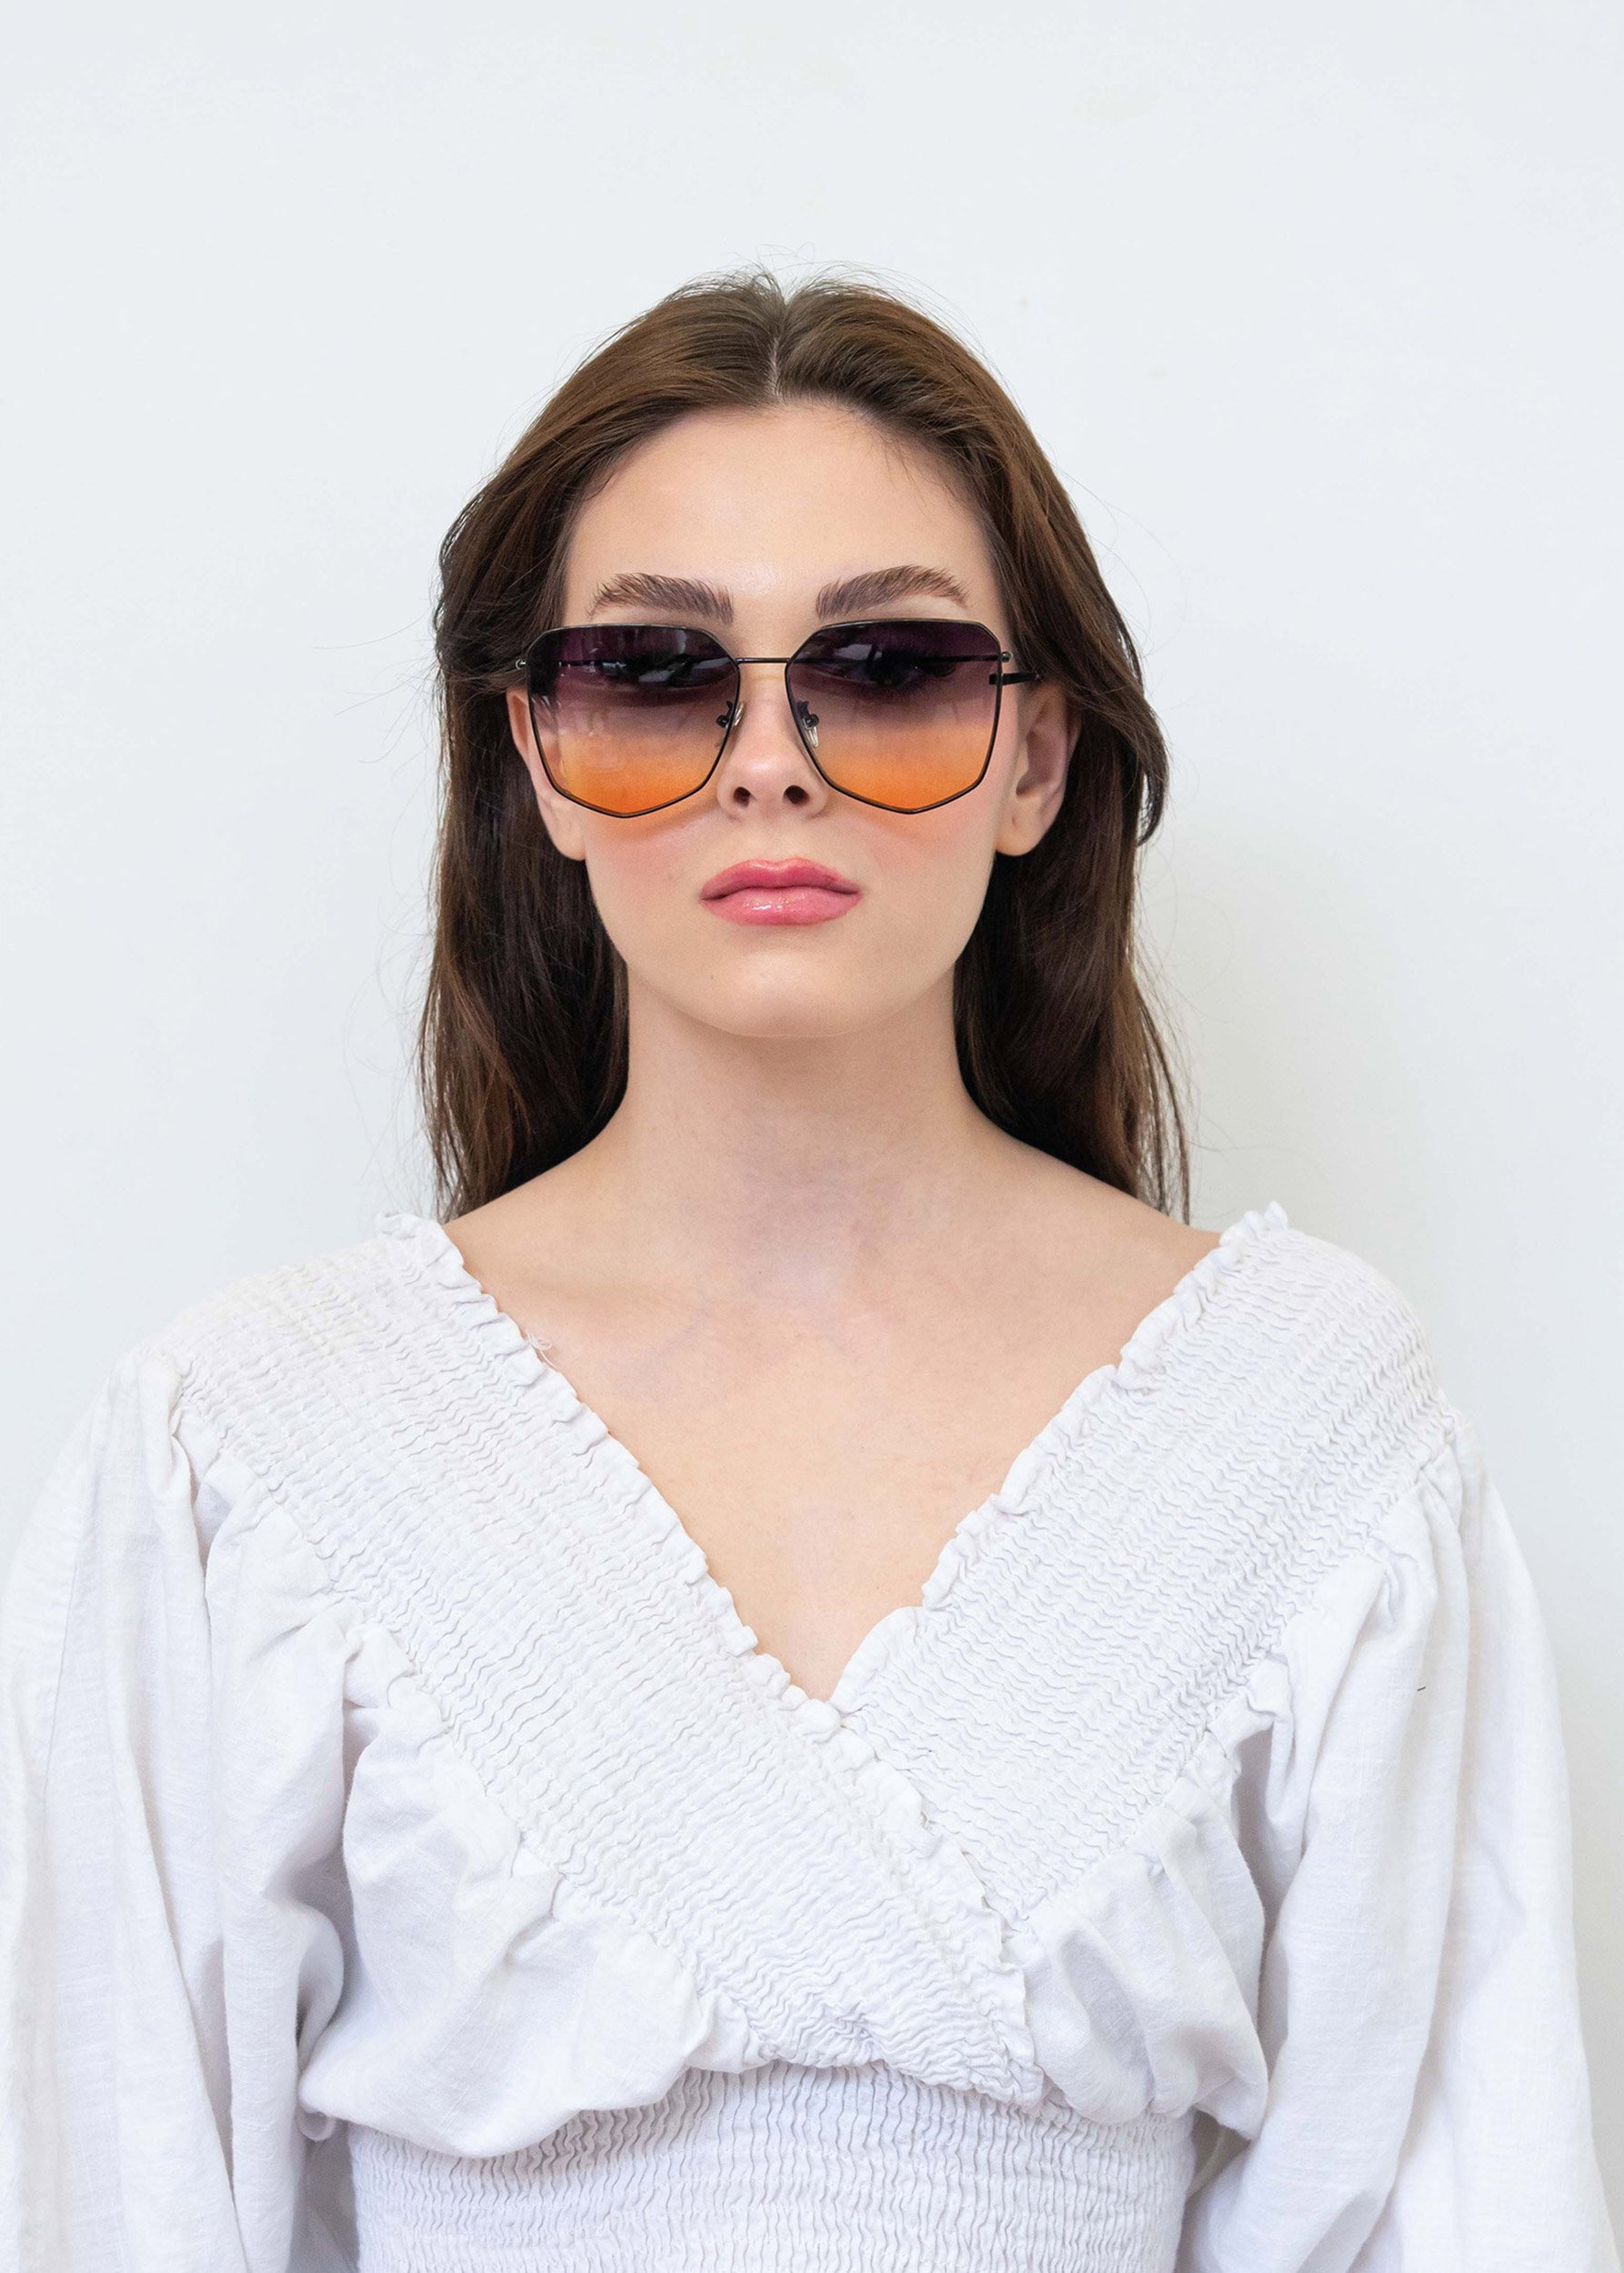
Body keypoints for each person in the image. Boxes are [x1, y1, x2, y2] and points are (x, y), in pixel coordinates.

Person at [1, 265, 1615, 2273]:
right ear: (535, 756)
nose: (769, 763)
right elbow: (117, 2201)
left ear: (1035, 761)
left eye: (889, 668)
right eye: (654, 673)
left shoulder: (1306, 1425)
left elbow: (1458, 2208)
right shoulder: (247, 1447)